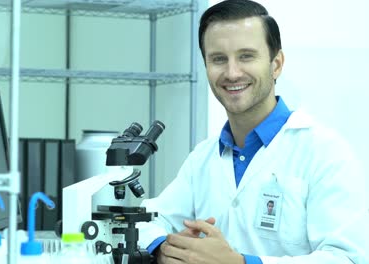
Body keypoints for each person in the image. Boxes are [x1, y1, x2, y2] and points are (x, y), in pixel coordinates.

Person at [137, 0, 369, 263]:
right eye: (218, 59)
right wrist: (162, 250)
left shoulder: (324, 152)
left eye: (246, 56)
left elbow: (347, 258)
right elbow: (147, 220)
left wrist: (241, 263)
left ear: (276, 64)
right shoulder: (203, 158)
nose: (232, 72)